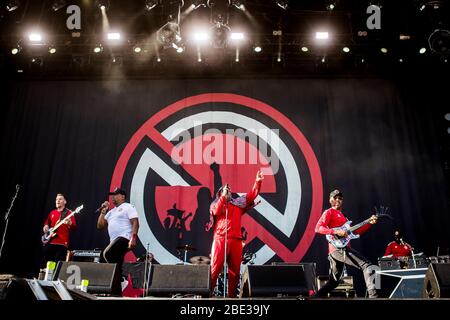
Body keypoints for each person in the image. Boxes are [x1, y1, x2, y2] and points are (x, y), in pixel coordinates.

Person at [314, 189, 378, 298]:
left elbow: (355, 232)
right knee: (367, 265)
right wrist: (335, 231)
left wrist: (369, 224)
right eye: (335, 198)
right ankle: (374, 296)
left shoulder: (344, 217)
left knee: (334, 282)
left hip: (338, 250)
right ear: (331, 200)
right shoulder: (329, 212)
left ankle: (316, 297)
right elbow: (318, 228)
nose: (338, 200)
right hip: (338, 249)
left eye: (340, 198)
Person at [208, 170, 263, 298]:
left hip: (236, 240)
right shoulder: (216, 204)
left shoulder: (238, 203)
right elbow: (215, 212)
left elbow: (251, 195)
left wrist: (258, 182)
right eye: (225, 191)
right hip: (221, 239)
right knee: (215, 269)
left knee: (235, 272)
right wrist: (223, 198)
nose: (228, 192)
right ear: (220, 193)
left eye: (229, 191)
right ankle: (208, 294)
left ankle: (232, 298)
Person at [97, 187, 139, 291]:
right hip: (114, 241)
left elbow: (135, 222)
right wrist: (103, 211)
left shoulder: (128, 207)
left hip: (124, 237)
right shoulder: (111, 212)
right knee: (113, 262)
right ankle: (117, 289)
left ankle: (120, 279)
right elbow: (100, 226)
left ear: (123, 197)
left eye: (116, 195)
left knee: (106, 254)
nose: (113, 197)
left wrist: (133, 238)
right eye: (112, 195)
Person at [41, 193, 77, 269]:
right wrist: (46, 226)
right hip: (50, 241)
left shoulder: (69, 213)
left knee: (57, 267)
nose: (58, 201)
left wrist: (70, 223)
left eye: (60, 199)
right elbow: (47, 223)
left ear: (65, 202)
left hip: (62, 243)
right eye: (57, 199)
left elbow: (74, 228)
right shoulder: (52, 213)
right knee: (45, 265)